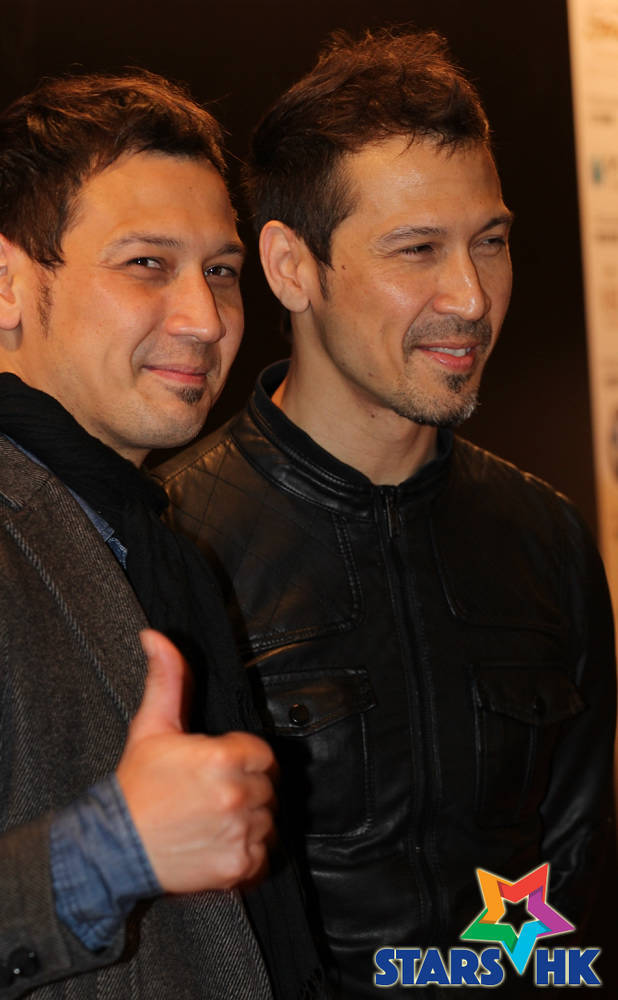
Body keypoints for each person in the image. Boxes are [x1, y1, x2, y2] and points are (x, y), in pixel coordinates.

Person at [158, 29, 617, 997]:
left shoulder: (547, 538)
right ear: (291, 267)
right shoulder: (170, 542)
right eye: (418, 249)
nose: (472, 297)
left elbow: (573, 871)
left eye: (490, 241)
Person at [0, 70, 324, 1000]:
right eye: (147, 264)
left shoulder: (150, 543)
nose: (206, 320)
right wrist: (105, 855)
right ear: (2, 281)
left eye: (222, 271)